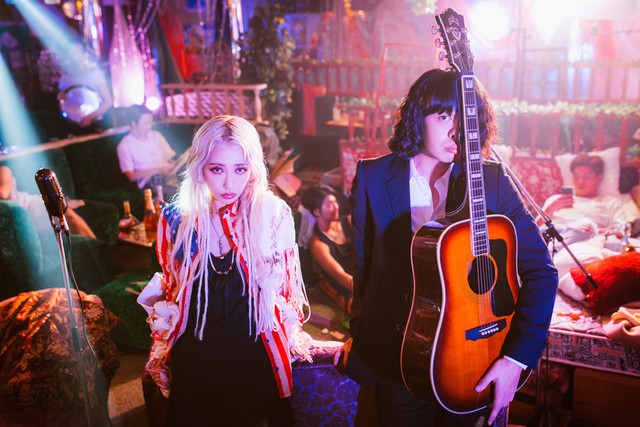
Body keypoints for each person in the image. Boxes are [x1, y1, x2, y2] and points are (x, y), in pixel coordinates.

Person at [339, 68, 559, 426]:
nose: (457, 130)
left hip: (473, 361)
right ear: (417, 116)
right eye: (443, 116)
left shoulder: (490, 180)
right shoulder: (372, 177)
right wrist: (360, 333)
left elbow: (541, 272)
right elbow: (364, 270)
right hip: (396, 363)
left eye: (465, 117)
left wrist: (515, 360)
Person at [136, 115, 310, 426]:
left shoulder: (274, 214)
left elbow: (286, 291)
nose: (230, 183)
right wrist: (161, 347)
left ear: (253, 169)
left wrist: (293, 338)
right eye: (217, 169)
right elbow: (172, 290)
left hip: (254, 354)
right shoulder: (175, 219)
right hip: (196, 356)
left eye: (240, 169)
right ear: (199, 167)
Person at [539, 154, 638, 231]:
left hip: (589, 243)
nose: (580, 182)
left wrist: (595, 231)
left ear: (599, 178)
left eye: (587, 177)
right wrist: (549, 210)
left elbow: (622, 229)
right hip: (555, 241)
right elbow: (534, 230)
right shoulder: (555, 200)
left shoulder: (609, 203)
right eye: (576, 177)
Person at [300, 184, 356, 314]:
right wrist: (370, 290)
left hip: (363, 275)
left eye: (335, 201)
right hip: (347, 284)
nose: (336, 206)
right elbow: (340, 275)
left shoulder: (349, 221)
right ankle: (331, 290)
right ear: (316, 211)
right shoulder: (318, 244)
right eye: (329, 204)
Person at [0, 165, 95, 238]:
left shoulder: (3, 170)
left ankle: (98, 248)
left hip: (30, 206)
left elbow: (3, 194)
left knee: (64, 212)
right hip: (17, 221)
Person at [116, 105, 177, 191]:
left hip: (167, 173)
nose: (149, 126)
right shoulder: (125, 145)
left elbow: (169, 158)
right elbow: (131, 176)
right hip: (150, 179)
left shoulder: (156, 135)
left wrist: (177, 164)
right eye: (145, 123)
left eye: (150, 123)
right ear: (133, 123)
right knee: (172, 189)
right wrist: (159, 170)